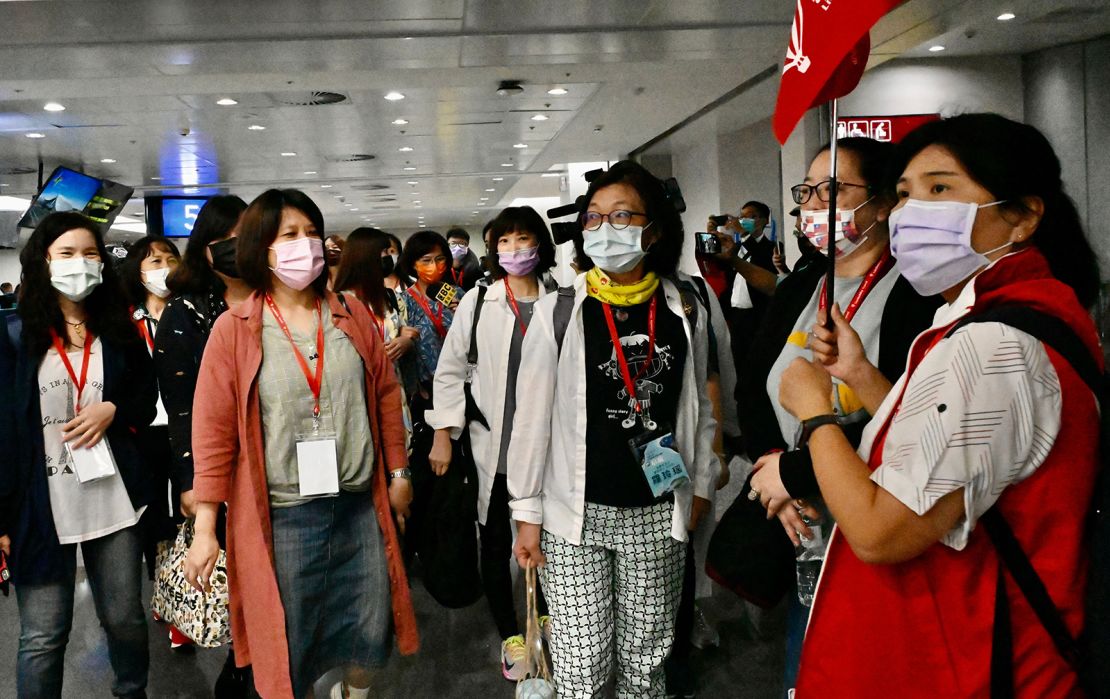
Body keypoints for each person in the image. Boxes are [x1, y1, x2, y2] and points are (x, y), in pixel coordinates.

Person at [770, 114, 1101, 697]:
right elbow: (948, 446)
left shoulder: (994, 344)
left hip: (979, 658)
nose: (910, 212)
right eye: (904, 194)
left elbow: (880, 531)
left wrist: (815, 413)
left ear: (1022, 215)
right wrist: (862, 376)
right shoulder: (997, 317)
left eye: (940, 189)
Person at [183, 189, 418, 699]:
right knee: (290, 648)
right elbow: (213, 431)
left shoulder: (350, 313)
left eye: (312, 232)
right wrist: (206, 526)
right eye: (288, 235)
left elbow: (384, 394)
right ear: (259, 248)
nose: (305, 244)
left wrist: (399, 474)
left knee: (367, 636)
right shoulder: (235, 329)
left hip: (359, 507)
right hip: (285, 517)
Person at [738, 137, 941, 696]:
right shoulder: (804, 281)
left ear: (879, 204)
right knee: (806, 667)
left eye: (833, 190)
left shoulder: (918, 293)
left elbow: (905, 414)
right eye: (807, 191)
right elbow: (755, 386)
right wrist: (773, 469)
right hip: (797, 515)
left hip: (874, 513)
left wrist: (795, 474)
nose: (814, 205)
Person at [509, 160, 720, 697]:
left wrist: (702, 482)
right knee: (581, 668)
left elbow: (701, 402)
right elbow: (530, 420)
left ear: (653, 227)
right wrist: (526, 513)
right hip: (574, 515)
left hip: (656, 508)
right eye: (594, 218)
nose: (606, 229)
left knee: (646, 666)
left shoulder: (687, 304)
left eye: (621, 215)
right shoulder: (562, 308)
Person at [0, 211, 156, 699]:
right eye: (66, 253)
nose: (80, 263)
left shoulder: (117, 328)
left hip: (112, 499)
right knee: (43, 637)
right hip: (39, 506)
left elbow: (145, 399)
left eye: (90, 254)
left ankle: (131, 690)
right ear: (43, 260)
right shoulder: (15, 335)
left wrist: (112, 407)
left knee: (125, 620)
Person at [426, 206, 557, 681]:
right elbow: (451, 369)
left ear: (539, 244)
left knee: (543, 538)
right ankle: (511, 633)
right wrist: (444, 433)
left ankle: (543, 613)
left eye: (523, 239)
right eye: (504, 241)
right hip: (491, 447)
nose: (514, 249)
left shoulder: (561, 302)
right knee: (497, 539)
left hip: (546, 449)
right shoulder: (478, 301)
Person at [154, 195, 254, 693]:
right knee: (236, 587)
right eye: (226, 240)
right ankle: (241, 674)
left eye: (247, 236)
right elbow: (182, 406)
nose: (238, 248)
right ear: (205, 249)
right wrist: (192, 483)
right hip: (219, 465)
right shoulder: (187, 310)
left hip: (273, 466)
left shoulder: (272, 298)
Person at [118, 235, 182, 601]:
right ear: (138, 272)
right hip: (142, 431)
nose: (165, 268)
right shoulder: (125, 322)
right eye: (155, 261)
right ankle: (163, 587)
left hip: (184, 426)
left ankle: (188, 586)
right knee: (153, 513)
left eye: (170, 259)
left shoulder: (191, 312)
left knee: (186, 509)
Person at [332, 227, 420, 435]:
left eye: (389, 253)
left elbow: (401, 333)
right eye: (383, 253)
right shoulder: (340, 303)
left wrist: (407, 342)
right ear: (364, 257)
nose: (388, 259)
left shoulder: (390, 298)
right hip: (360, 397)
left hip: (395, 393)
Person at [399, 230, 462, 397]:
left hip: (461, 381)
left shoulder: (459, 295)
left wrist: (462, 314)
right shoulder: (403, 302)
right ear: (413, 264)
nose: (434, 266)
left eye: (439, 259)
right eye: (426, 260)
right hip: (425, 389)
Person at [446, 226, 483, 292]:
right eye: (453, 243)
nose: (457, 247)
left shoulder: (475, 269)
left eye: (462, 244)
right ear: (447, 244)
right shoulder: (441, 267)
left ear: (467, 246)